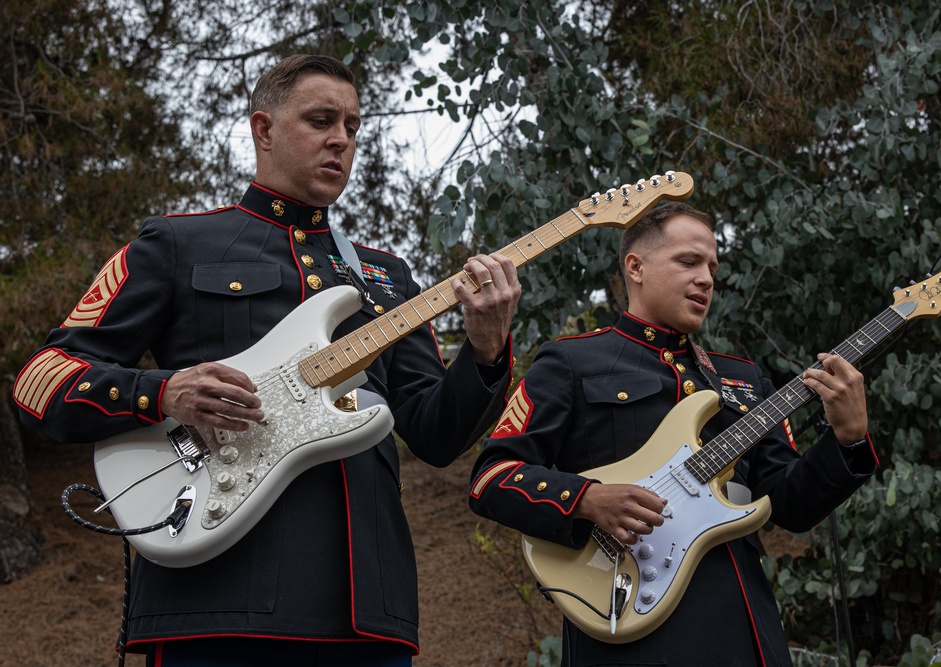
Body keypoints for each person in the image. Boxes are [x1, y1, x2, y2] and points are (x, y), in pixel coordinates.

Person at [13, 54, 520, 665]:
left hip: (367, 615)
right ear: (264, 129)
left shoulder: (388, 277)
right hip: (214, 600)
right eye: (321, 119)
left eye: (353, 126)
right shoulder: (176, 244)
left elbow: (434, 434)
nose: (341, 139)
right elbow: (41, 379)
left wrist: (487, 349)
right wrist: (160, 392)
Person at [468, 202, 877, 666]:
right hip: (627, 624)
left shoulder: (742, 377)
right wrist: (586, 499)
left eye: (712, 267)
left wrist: (848, 438)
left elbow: (792, 506)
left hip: (742, 630)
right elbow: (491, 477)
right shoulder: (570, 362)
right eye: (689, 261)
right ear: (635, 267)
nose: (706, 278)